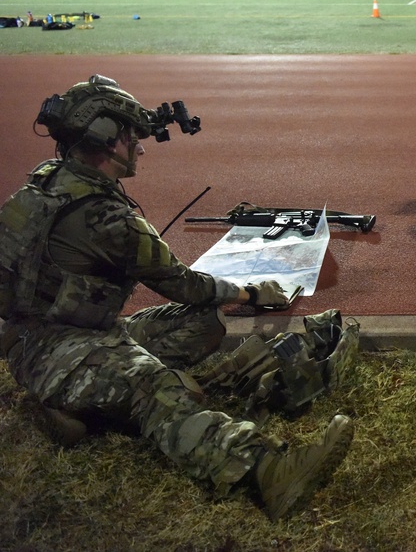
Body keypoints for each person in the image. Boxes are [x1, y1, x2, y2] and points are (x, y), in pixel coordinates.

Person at [0, 75, 358, 520]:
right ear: (109, 140)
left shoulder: (49, 181)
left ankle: (85, 410)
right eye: (133, 137)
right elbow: (185, 284)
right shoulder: (105, 219)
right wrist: (251, 291)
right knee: (154, 385)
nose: (141, 148)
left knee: (200, 322)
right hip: (58, 351)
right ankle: (266, 470)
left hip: (52, 335)